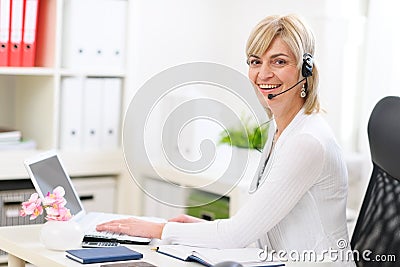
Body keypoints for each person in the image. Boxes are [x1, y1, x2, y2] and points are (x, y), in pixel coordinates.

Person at [97, 14, 353, 264]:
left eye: (279, 61)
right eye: (255, 62)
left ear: (305, 69)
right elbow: (254, 227)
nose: (263, 74)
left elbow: (237, 235)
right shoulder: (281, 129)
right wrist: (201, 230)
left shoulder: (307, 141)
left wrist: (158, 229)